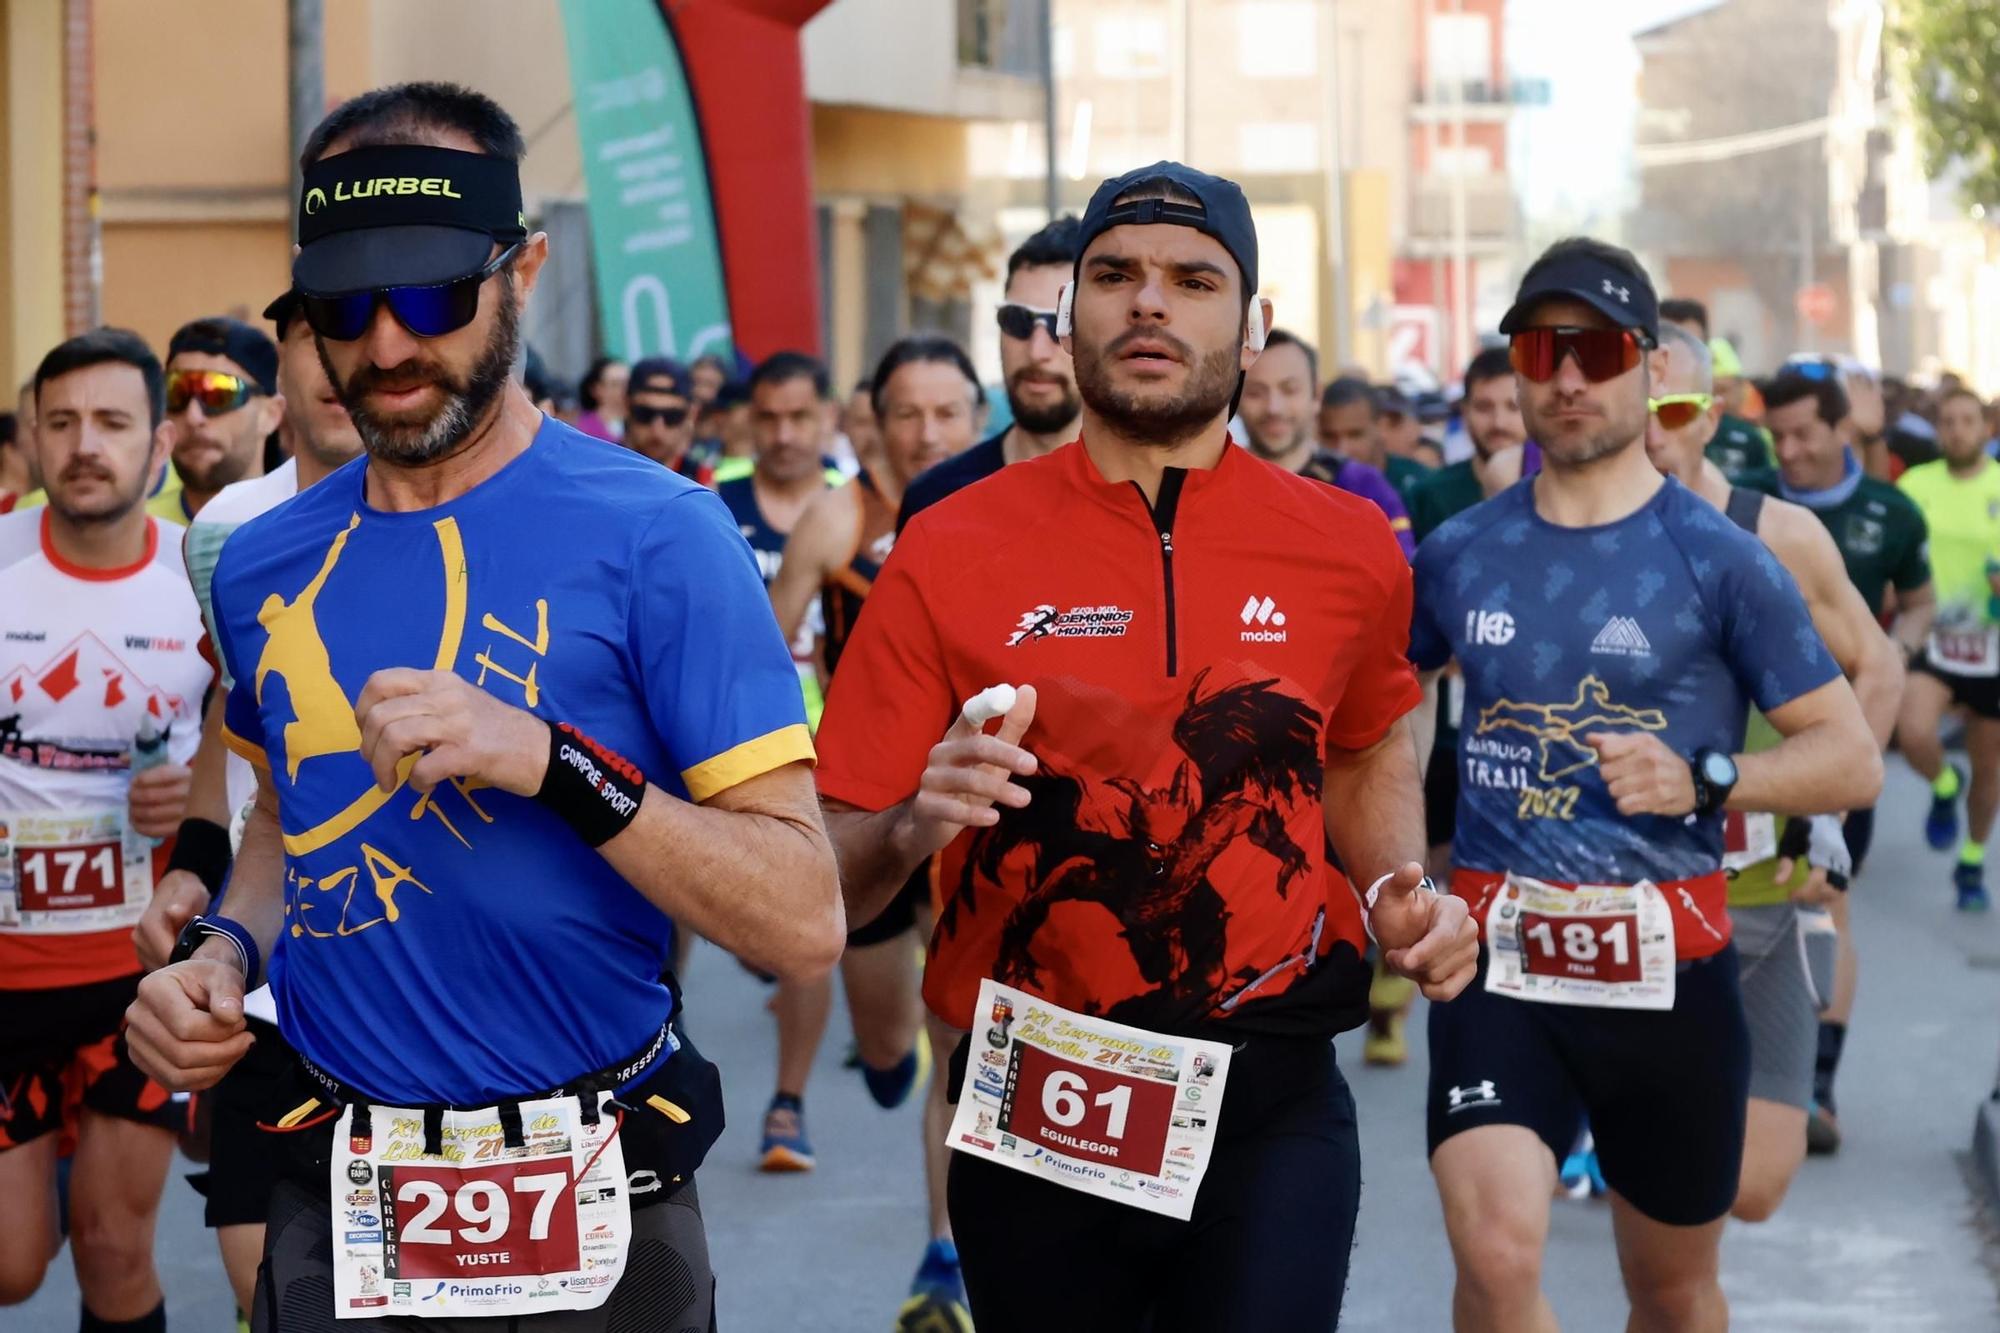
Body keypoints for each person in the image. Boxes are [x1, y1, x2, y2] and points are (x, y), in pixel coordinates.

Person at [121, 81, 842, 1330]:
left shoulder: (660, 535)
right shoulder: (261, 562)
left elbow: (801, 918)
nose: (389, 346)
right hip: (340, 1189)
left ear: (526, 270)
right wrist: (218, 959)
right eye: (347, 305)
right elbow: (287, 828)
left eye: (435, 296)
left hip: (596, 1185)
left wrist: (553, 762)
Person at [814, 160, 1477, 1331]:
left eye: (1192, 279)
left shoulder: (1348, 547)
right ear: (1072, 318)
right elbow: (830, 862)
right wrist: (920, 817)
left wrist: (1391, 888)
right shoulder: (946, 543)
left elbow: (1363, 749)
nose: (1149, 303)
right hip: (1042, 1093)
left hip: (1271, 1089)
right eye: (1113, 275)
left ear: (1254, 323)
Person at [1410, 237, 1879, 1331]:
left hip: (1667, 968)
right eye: (1539, 347)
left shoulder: (1720, 558)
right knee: (1492, 1251)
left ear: (1646, 370)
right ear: (1515, 369)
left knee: (1668, 1293)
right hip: (1499, 960)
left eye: (1597, 349)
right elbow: (1382, 720)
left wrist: (1706, 776)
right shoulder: (1457, 552)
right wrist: (1402, 873)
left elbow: (1847, 753)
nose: (1566, 375)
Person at [124, 288, 365, 1323]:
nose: (353, 356)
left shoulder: (504, 523)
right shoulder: (226, 532)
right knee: (270, 1289)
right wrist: (192, 862)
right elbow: (239, 725)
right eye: (320, 330)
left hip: (425, 985)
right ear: (287, 370)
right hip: (271, 979)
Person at [1641, 324, 1903, 1221]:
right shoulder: (1572, 535)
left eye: (1672, 411)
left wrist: (1826, 807)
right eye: (1634, 411)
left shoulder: (1775, 532)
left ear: (1710, 417)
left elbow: (1880, 663)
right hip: (1624, 896)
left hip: (1761, 887)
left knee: (1754, 1186)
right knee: (1664, 1195)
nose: (1652, 433)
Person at [768, 333, 983, 1324]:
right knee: (895, 1044)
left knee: (961, 1038)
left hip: (975, 811)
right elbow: (767, 659)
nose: (927, 431)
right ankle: (883, 1058)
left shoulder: (1002, 512)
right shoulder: (835, 516)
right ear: (874, 421)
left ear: (975, 419)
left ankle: (942, 1253)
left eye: (947, 412)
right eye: (907, 413)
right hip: (863, 810)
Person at [0, 327, 210, 1333]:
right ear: (33, 440)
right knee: (9, 1266)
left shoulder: (205, 577)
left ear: (158, 443)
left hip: (138, 971)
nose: (87, 444)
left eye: (113, 423)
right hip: (4, 976)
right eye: (63, 422)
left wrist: (197, 795)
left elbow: (252, 755)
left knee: (117, 1249)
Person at [1761, 366, 1935, 1152]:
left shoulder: (1890, 510)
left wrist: (1891, 655)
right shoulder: (1753, 504)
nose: (1790, 451)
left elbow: (1921, 600)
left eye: (1804, 433)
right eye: (1778, 435)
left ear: (1842, 429)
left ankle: (1818, 1084)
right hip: (1762, 738)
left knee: (1825, 899)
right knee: (1754, 902)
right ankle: (1755, 1073)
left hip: (1850, 731)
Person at [717, 349, 846, 1172]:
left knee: (803, 924)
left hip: (832, 756)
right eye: (769, 417)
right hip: (727, 744)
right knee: (684, 908)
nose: (785, 433)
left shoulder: (853, 510)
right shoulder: (711, 507)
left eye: (802, 416)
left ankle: (787, 1104)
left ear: (828, 417)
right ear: (747, 419)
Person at [901, 217, 1083, 524]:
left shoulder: (1146, 495)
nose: (1037, 352)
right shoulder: (937, 498)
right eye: (1017, 320)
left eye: (1061, 323)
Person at [1896, 385, 2000, 912]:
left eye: (1968, 420)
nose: (1958, 430)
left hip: (1993, 646)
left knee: (1989, 769)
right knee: (1913, 729)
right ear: (1939, 430)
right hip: (1934, 637)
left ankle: (1973, 859)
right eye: (1949, 421)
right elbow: (1899, 554)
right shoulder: (1916, 484)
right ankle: (1941, 783)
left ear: (1986, 428)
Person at [1240, 332, 1415, 559]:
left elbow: (1400, 577)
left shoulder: (1362, 486)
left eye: (1289, 389)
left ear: (1316, 395)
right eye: (1255, 393)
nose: (1274, 408)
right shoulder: (1214, 483)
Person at [161, 318, 283, 520]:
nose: (193, 416)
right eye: (176, 392)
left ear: (271, 415)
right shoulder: (134, 533)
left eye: (218, 394)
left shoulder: (304, 531)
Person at [1659, 299, 1772, 482]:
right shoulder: (1626, 425)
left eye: (1689, 343)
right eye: (1666, 341)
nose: (1677, 354)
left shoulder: (1743, 437)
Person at [619, 356, 707, 482]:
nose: (657, 430)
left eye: (671, 417)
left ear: (691, 413)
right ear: (626, 406)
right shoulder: (600, 473)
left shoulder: (707, 481)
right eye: (645, 414)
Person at [574, 354, 628, 441]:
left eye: (628, 383)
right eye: (616, 384)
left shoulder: (641, 422)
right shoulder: (586, 431)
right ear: (596, 389)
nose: (625, 389)